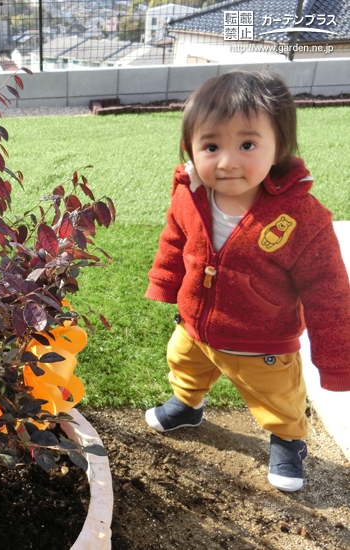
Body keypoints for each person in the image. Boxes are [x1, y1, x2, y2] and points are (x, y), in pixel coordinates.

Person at [144, 70, 350, 492]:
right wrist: (166, 282)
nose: (227, 161)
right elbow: (174, 239)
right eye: (212, 145)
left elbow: (329, 292)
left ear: (279, 149)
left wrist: (336, 360)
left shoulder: (301, 218)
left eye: (247, 144)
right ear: (191, 148)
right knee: (183, 365)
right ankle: (187, 405)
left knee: (278, 399)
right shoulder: (190, 194)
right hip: (195, 325)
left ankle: (289, 441)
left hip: (262, 342)